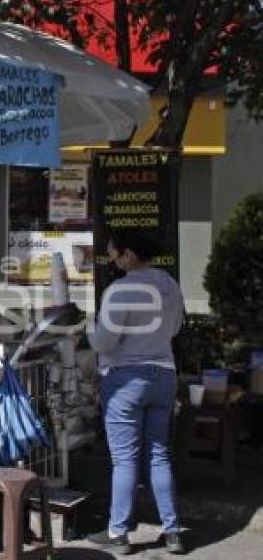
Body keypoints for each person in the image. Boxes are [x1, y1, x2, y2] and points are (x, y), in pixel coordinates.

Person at [87, 230, 185, 555]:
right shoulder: (170, 285)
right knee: (158, 454)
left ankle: (118, 533)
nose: (112, 261)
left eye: (113, 255)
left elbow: (104, 343)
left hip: (126, 380)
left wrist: (89, 326)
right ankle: (172, 532)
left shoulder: (121, 289)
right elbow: (175, 328)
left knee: (124, 459)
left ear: (127, 255)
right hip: (165, 376)